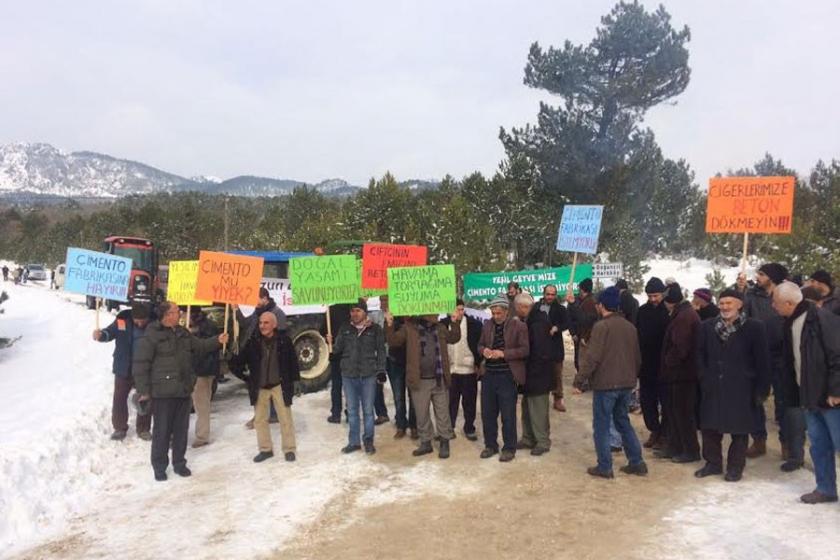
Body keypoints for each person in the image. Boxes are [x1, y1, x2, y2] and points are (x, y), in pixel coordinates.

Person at [133, 302, 228, 481]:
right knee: (162, 431)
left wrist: (217, 340)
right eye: (176, 312)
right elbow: (140, 364)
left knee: (181, 430)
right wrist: (143, 390)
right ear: (167, 315)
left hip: (183, 390)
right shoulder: (152, 335)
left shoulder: (183, 333)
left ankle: (179, 463)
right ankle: (159, 466)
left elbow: (199, 346)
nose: (180, 314)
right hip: (162, 393)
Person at [773, 281, 840, 504]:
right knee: (819, 444)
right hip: (809, 396)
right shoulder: (789, 323)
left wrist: (835, 389)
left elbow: (837, 356)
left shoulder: (821, 319)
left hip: (831, 398)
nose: (773, 307)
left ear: (789, 303)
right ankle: (826, 488)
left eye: (776, 303)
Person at [695, 289, 770, 482]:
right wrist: (703, 376)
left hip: (742, 387)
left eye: (729, 303)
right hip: (713, 385)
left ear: (739, 304)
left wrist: (762, 388)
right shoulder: (707, 326)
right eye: (722, 303)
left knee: (739, 430)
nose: (725, 307)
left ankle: (735, 468)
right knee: (710, 428)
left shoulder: (754, 327)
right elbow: (699, 355)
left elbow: (762, 360)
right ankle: (713, 463)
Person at [574, 286, 645, 478]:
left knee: (602, 425)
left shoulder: (601, 327)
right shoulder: (630, 327)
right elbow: (637, 357)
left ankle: (604, 466)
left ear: (602, 305)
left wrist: (579, 381)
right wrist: (632, 377)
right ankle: (637, 462)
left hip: (606, 385)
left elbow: (593, 357)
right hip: (626, 383)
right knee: (623, 422)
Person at [385, 309, 462, 459]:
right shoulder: (409, 328)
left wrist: (455, 322)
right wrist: (389, 323)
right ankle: (426, 442)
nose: (436, 315)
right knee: (421, 414)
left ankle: (444, 441)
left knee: (442, 413)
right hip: (419, 380)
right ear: (425, 313)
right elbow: (393, 341)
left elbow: (454, 338)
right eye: (433, 313)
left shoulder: (440, 328)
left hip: (439, 379)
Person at [232, 312, 301, 463]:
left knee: (285, 418)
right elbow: (237, 362)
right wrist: (245, 376)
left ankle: (289, 449)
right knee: (260, 420)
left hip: (279, 385)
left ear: (274, 325)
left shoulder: (284, 341)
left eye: (266, 323)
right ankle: (265, 449)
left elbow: (293, 363)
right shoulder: (253, 341)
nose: (262, 326)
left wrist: (295, 381)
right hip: (260, 387)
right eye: (260, 323)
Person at [328, 299, 387, 455]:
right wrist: (331, 343)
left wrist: (381, 370)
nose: (355, 313)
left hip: (368, 375)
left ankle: (368, 441)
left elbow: (381, 351)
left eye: (358, 310)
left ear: (365, 312)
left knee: (368, 411)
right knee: (353, 411)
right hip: (349, 375)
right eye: (353, 311)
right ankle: (354, 442)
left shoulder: (375, 330)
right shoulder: (345, 329)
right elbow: (338, 349)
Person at [743, 263, 788, 459]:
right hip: (758, 356)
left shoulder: (785, 296)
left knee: (784, 402)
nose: (758, 277)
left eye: (762, 274)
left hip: (782, 356)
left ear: (773, 277)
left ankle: (787, 444)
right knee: (756, 399)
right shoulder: (751, 297)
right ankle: (758, 439)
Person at [478, 295, 529, 462]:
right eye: (493, 313)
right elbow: (479, 345)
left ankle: (509, 447)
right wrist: (484, 350)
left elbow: (525, 350)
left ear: (506, 311)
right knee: (488, 413)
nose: (496, 316)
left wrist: (504, 354)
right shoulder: (487, 325)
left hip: (507, 376)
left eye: (499, 313)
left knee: (508, 414)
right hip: (489, 375)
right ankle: (490, 445)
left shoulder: (519, 326)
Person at [93, 302, 153, 441]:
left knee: (144, 399)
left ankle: (143, 429)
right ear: (133, 317)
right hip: (123, 366)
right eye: (138, 321)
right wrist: (101, 335)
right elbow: (110, 333)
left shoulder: (152, 324)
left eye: (143, 321)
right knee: (119, 398)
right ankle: (119, 428)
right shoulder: (122, 320)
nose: (140, 324)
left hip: (144, 369)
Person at [656, 282, 701, 463]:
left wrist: (668, 363)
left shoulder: (684, 317)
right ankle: (675, 446)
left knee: (683, 413)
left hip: (682, 375)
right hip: (680, 374)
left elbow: (680, 347)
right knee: (674, 412)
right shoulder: (684, 313)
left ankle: (690, 450)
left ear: (670, 302)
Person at [516, 293, 554, 456]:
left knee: (538, 409)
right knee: (527, 407)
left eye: (517, 308)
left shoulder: (537, 323)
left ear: (524, 307)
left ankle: (542, 441)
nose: (516, 311)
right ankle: (528, 438)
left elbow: (539, 351)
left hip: (538, 373)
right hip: (531, 374)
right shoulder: (532, 320)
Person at [636, 277, 670, 449]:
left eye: (656, 295)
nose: (653, 299)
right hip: (646, 364)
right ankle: (654, 430)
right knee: (647, 401)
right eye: (649, 296)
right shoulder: (642, 311)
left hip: (665, 365)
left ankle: (665, 433)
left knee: (666, 401)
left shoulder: (669, 311)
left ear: (662, 294)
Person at [443, 299, 483, 441]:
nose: (460, 312)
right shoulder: (443, 324)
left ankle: (469, 427)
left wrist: (478, 363)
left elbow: (479, 345)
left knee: (469, 401)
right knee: (450, 401)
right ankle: (449, 427)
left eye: (461, 309)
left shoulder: (475, 325)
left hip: (468, 369)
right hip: (451, 369)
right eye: (456, 309)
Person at [188, 307, 220, 448]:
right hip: (193, 370)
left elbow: (206, 347)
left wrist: (192, 335)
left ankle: (202, 436)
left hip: (203, 371)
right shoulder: (190, 326)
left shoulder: (208, 327)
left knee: (201, 405)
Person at [538, 285, 570, 412]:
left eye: (552, 294)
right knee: (541, 375)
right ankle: (541, 401)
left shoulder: (561, 309)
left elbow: (567, 323)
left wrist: (557, 328)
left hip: (555, 348)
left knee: (557, 375)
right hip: (540, 348)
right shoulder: (537, 307)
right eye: (548, 294)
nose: (550, 296)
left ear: (555, 295)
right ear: (544, 294)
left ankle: (558, 400)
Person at [567, 278, 598, 374]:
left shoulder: (590, 302)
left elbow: (585, 320)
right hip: (579, 335)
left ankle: (584, 382)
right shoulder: (583, 301)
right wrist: (573, 333)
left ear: (582, 289)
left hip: (586, 337)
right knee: (579, 360)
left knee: (583, 361)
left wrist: (585, 336)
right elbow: (570, 318)